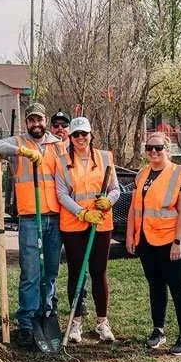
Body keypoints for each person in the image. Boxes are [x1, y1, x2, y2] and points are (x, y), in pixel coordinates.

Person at [0, 103, 64, 347]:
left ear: (45, 121)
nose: (36, 124)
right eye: (31, 120)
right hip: (31, 217)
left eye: (39, 119)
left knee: (50, 271)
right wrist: (22, 152)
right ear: (27, 122)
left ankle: (47, 313)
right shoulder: (18, 142)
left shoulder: (57, 144)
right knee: (31, 272)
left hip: (54, 216)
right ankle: (27, 321)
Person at [126, 132, 181, 356]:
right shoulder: (142, 174)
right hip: (147, 239)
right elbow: (134, 209)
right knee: (155, 285)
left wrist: (178, 242)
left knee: (178, 286)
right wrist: (131, 235)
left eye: (158, 148)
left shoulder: (179, 175)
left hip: (172, 240)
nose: (153, 152)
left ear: (167, 149)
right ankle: (158, 330)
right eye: (149, 148)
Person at [55, 116, 120, 343]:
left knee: (98, 272)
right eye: (76, 134)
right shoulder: (62, 161)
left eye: (84, 133)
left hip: (100, 223)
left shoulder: (105, 158)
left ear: (91, 135)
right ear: (70, 137)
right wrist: (81, 213)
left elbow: (115, 189)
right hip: (74, 224)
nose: (80, 138)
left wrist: (109, 201)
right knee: (76, 272)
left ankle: (102, 322)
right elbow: (61, 194)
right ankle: (76, 323)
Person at [49, 110, 89, 318]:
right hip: (52, 213)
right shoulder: (48, 149)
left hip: (76, 216)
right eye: (56, 125)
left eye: (64, 126)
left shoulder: (80, 150)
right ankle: (51, 302)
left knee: (80, 264)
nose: (60, 129)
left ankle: (80, 300)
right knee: (51, 263)